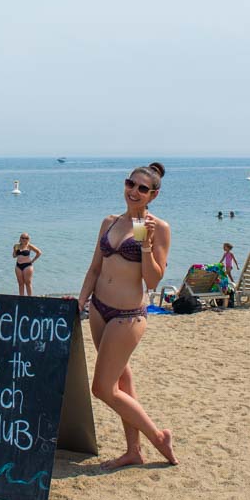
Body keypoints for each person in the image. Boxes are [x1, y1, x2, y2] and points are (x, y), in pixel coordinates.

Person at [77, 162, 178, 469]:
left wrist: (146, 246)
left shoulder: (156, 228)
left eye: (142, 188)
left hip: (128, 315)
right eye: (130, 184)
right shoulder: (110, 221)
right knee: (122, 379)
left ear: (153, 195)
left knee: (102, 389)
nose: (134, 192)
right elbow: (95, 267)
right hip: (99, 310)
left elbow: (153, 280)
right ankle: (133, 451)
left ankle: (158, 437)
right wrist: (80, 302)